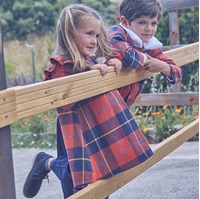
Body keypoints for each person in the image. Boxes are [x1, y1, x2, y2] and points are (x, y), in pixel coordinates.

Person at [23, 3, 154, 199]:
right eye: (89, 34)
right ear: (70, 33)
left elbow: (104, 85)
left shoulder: (92, 61)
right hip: (73, 126)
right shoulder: (61, 64)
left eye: (97, 35)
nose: (94, 40)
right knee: (78, 178)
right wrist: (86, 74)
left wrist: (110, 65)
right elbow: (60, 98)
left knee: (105, 173)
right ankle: (46, 162)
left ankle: (47, 162)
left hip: (95, 125)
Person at [108, 0, 182, 110]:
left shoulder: (148, 43)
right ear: (124, 22)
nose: (149, 29)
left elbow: (177, 74)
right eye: (142, 22)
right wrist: (146, 59)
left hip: (123, 106)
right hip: (99, 101)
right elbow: (127, 57)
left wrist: (163, 66)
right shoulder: (116, 33)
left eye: (154, 23)